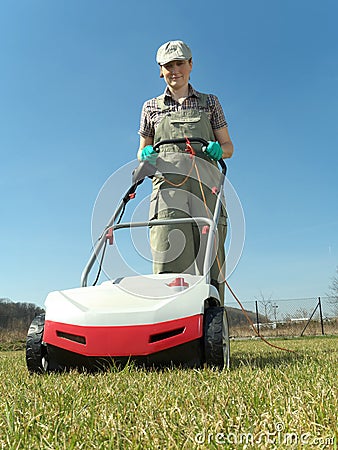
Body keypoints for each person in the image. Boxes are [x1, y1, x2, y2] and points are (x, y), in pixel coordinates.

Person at [137, 40, 234, 304]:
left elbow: (229, 147)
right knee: (170, 259)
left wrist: (218, 150)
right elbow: (142, 150)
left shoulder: (210, 103)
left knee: (210, 262)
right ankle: (171, 334)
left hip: (206, 188)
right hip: (167, 193)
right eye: (168, 65)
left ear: (190, 65)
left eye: (180, 63)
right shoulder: (150, 108)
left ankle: (211, 333)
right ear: (160, 70)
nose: (175, 70)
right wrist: (145, 155)